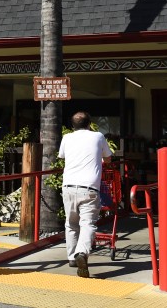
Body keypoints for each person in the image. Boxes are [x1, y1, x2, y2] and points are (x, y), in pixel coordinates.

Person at [58, 111, 112, 278]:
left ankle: (72, 257)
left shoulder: (67, 138)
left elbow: (62, 156)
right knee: (87, 223)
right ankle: (82, 253)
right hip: (89, 188)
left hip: (68, 186)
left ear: (73, 126)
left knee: (71, 223)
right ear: (90, 124)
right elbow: (108, 159)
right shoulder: (98, 137)